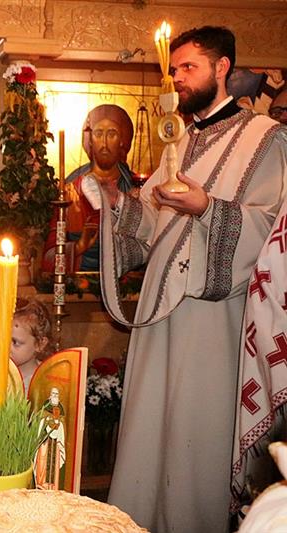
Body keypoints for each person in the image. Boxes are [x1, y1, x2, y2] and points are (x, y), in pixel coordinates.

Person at [91, 26, 287, 532]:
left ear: (222, 68)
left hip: (212, 317)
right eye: (174, 69)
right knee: (150, 422)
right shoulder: (179, 140)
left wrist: (207, 208)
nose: (177, 78)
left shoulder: (264, 138)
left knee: (193, 426)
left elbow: (271, 228)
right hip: (161, 312)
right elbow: (151, 225)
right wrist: (116, 203)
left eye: (188, 68)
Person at [43, 104, 139, 272]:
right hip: (80, 282)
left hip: (125, 282)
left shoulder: (136, 189)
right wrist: (78, 247)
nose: (104, 143)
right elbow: (49, 258)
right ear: (90, 140)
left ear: (122, 141)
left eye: (112, 134)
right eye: (98, 133)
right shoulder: (70, 193)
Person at [9, 297, 53, 393]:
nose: (6, 348)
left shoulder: (45, 381)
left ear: (40, 344)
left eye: (15, 342)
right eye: (3, 341)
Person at [34, 387, 66, 490]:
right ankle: (41, 484)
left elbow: (63, 426)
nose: (55, 396)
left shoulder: (61, 411)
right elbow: (40, 424)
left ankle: (53, 486)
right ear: (50, 395)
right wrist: (47, 422)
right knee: (42, 462)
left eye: (56, 394)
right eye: (53, 394)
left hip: (56, 444)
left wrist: (58, 424)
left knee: (54, 465)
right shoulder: (44, 409)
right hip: (45, 443)